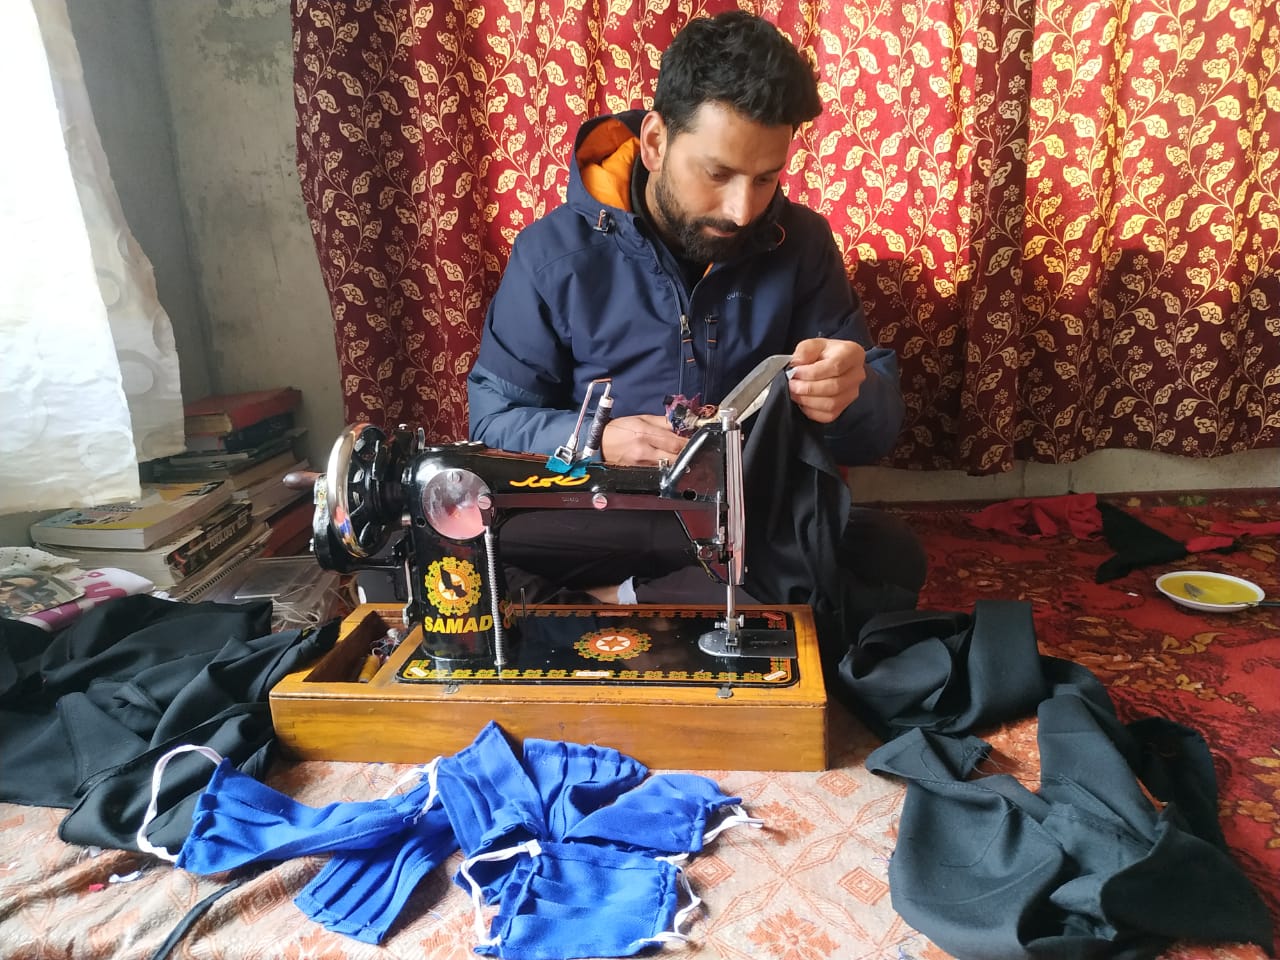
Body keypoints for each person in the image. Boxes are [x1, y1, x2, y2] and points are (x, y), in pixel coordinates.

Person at [467, 11, 925, 667]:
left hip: (746, 518)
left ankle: (609, 608)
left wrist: (853, 393)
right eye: (717, 173)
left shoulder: (802, 244)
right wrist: (595, 439)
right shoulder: (552, 256)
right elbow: (491, 419)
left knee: (890, 553)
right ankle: (674, 605)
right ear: (655, 141)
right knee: (439, 547)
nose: (742, 209)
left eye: (765, 178)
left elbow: (869, 436)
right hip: (601, 510)